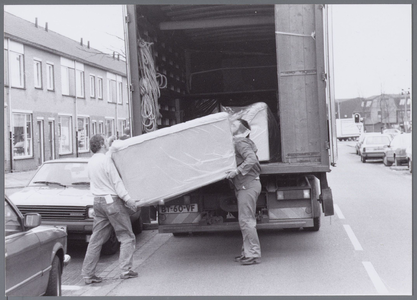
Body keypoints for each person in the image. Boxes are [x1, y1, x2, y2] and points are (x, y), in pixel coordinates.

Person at [81, 134, 139, 284]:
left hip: (98, 202)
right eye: (105, 141)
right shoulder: (106, 160)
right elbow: (116, 182)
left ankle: (88, 274)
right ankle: (126, 270)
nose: (107, 143)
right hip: (112, 202)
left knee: (96, 240)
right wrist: (128, 200)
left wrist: (112, 141)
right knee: (126, 236)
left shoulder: (91, 162)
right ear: (101, 144)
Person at [226, 119, 262, 266]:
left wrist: (237, 171)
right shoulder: (238, 142)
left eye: (234, 125)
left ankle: (253, 254)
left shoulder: (240, 142)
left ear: (242, 130)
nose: (231, 126)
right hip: (246, 185)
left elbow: (251, 159)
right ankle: (247, 252)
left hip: (248, 185)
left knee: (246, 220)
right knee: (245, 220)